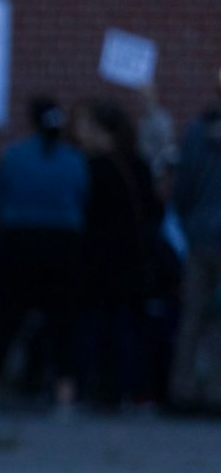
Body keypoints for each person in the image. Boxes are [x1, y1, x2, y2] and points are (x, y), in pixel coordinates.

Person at [0, 97, 89, 418]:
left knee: (7, 319)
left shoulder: (14, 157)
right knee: (62, 322)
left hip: (19, 241)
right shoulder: (74, 160)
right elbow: (82, 198)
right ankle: (66, 397)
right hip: (63, 243)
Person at [76, 100, 165, 409]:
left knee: (95, 325)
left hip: (99, 259)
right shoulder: (136, 164)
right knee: (127, 326)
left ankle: (96, 387)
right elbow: (155, 210)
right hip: (134, 259)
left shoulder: (93, 167)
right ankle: (128, 389)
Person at [173, 70, 221, 408]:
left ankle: (184, 389)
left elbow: (182, 188)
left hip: (200, 235)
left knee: (191, 316)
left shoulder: (195, 132)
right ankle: (216, 390)